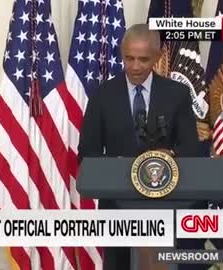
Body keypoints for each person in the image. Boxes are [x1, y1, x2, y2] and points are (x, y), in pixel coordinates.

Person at [77, 23, 200, 270]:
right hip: (117, 211)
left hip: (166, 207)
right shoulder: (102, 95)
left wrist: (170, 156)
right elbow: (87, 154)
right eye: (129, 58)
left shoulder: (177, 94)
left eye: (143, 59)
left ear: (157, 57)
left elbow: (192, 149)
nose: (134, 66)